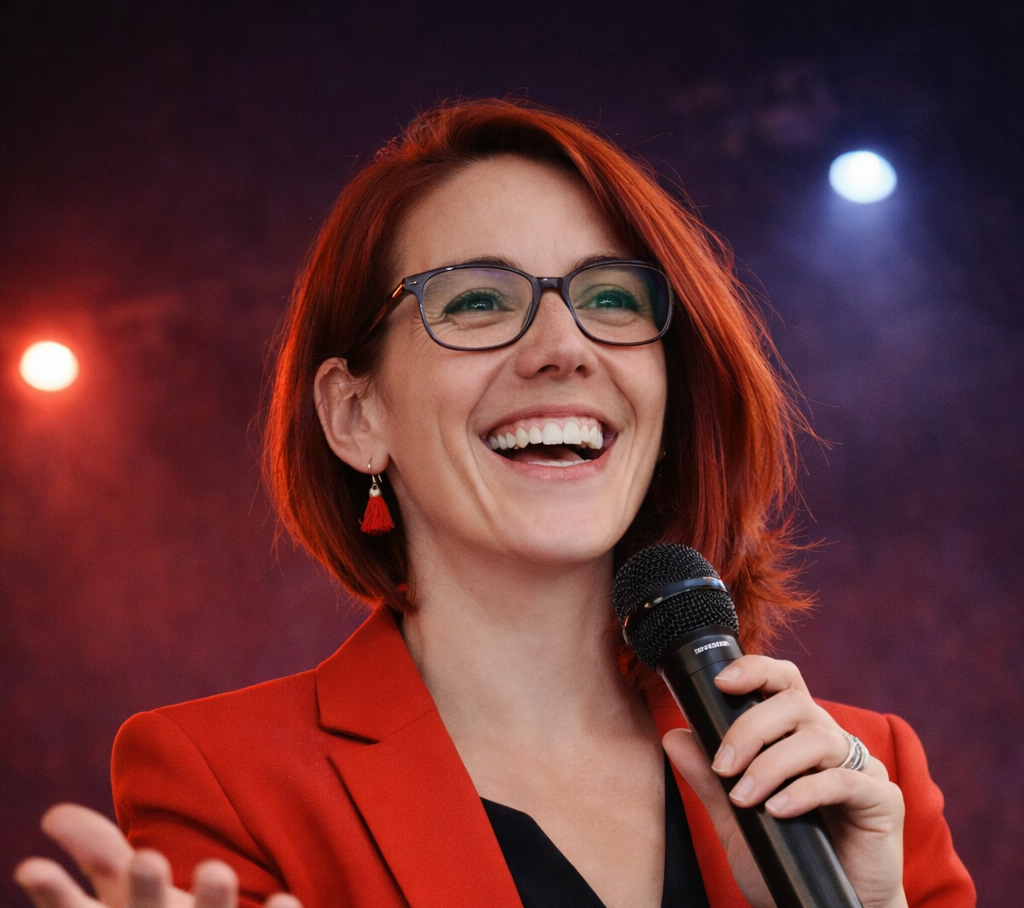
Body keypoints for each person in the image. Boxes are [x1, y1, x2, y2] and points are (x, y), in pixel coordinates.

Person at [16, 98, 974, 908]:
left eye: (611, 299)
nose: (564, 347)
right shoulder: (223, 778)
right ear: (355, 415)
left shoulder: (861, 778)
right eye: (476, 302)